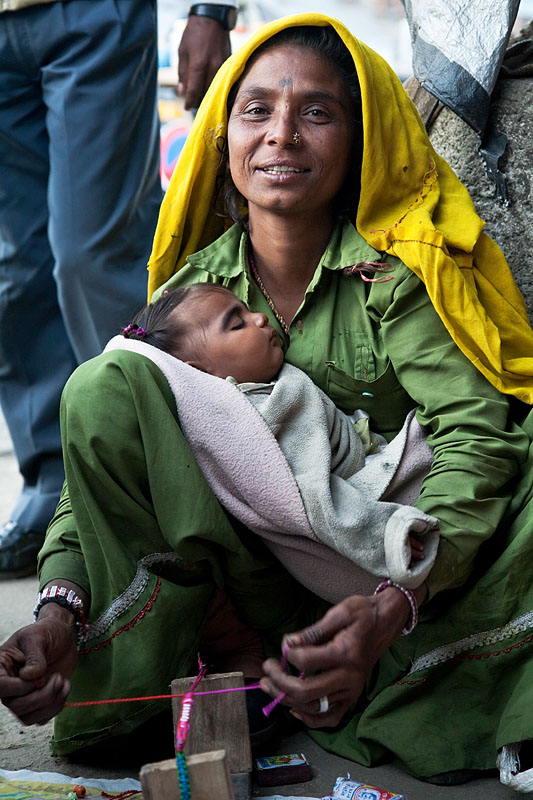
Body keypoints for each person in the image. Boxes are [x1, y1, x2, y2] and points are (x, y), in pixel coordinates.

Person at [2, 13, 533, 789]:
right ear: (221, 139)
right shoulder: (191, 295)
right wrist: (58, 611)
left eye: (316, 112)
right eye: (256, 110)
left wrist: (390, 604)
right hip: (245, 592)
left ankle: (386, 665)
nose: (281, 134)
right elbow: (114, 454)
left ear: (359, 143)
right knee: (105, 385)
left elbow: (476, 440)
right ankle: (201, 663)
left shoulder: (400, 274)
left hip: (398, 577)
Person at [0, 0, 238, 578]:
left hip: (90, 17)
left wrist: (211, 10)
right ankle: (56, 486)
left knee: (93, 254)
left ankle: (149, 481)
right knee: (17, 272)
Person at [113, 283, 437, 591]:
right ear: (201, 372)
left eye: (246, 309)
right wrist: (383, 535)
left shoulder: (264, 387)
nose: (259, 317)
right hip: (361, 508)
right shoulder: (258, 420)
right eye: (237, 324)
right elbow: (312, 495)